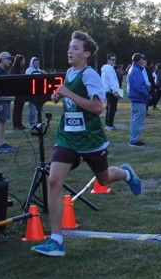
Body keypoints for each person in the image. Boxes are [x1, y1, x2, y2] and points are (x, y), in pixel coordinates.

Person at [31, 31, 142, 258]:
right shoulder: (70, 72)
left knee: (103, 179)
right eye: (69, 47)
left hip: (90, 138)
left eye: (75, 48)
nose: (70, 51)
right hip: (67, 136)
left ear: (87, 53)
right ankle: (56, 240)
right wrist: (59, 96)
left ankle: (126, 174)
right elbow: (70, 96)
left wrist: (68, 93)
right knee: (54, 180)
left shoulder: (90, 74)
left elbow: (97, 108)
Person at [126, 53, 150, 147]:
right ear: (139, 60)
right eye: (142, 59)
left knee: (135, 120)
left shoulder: (133, 69)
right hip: (138, 98)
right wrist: (146, 94)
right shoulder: (136, 71)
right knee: (137, 121)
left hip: (135, 98)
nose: (143, 61)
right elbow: (139, 86)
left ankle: (134, 139)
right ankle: (134, 140)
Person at [100, 53, 121, 130]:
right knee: (112, 108)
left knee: (110, 108)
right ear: (108, 60)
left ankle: (109, 124)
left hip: (109, 90)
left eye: (115, 60)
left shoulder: (107, 68)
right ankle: (109, 125)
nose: (114, 61)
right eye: (112, 60)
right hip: (111, 91)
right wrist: (116, 91)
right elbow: (112, 81)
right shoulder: (109, 68)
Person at [26, 57, 44, 127]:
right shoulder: (28, 71)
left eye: (38, 63)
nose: (37, 65)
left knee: (40, 108)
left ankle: (39, 122)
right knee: (32, 109)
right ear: (32, 63)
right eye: (35, 63)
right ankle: (31, 123)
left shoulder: (40, 71)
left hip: (40, 92)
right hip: (32, 93)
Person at [10, 54, 27, 130]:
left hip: (22, 92)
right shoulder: (15, 70)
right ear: (20, 61)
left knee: (20, 108)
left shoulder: (21, 69)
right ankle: (15, 125)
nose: (24, 61)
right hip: (17, 92)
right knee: (17, 108)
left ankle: (20, 124)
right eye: (23, 60)